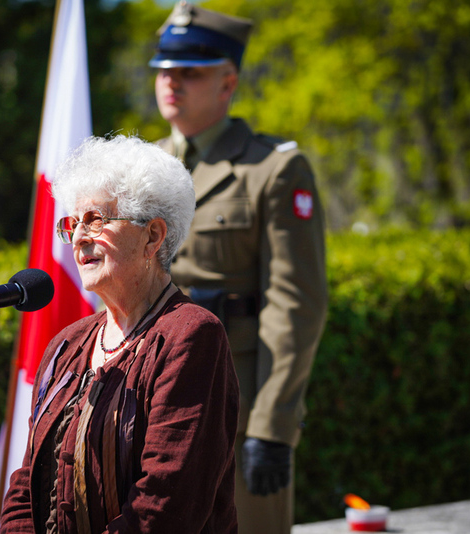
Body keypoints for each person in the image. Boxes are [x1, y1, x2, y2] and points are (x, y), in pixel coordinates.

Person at [147, 3, 329, 534]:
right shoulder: (145, 168)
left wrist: (272, 428)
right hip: (153, 386)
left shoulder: (273, 168)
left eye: (190, 72)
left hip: (237, 396)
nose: (171, 83)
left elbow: (295, 305)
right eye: (164, 70)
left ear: (228, 83)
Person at [0, 135, 239, 533]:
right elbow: (26, 484)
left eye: (96, 220)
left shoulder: (191, 337)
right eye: (72, 224)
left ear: (152, 236)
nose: (78, 237)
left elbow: (165, 505)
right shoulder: (66, 346)